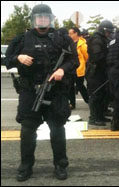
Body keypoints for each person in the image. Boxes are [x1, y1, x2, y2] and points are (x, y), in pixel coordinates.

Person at [3, 4, 79, 181]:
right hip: (30, 92)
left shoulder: (62, 38)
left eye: (46, 17)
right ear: (34, 19)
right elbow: (6, 59)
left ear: (50, 19)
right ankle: (26, 166)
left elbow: (74, 60)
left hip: (56, 91)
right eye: (39, 17)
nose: (42, 20)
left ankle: (60, 165)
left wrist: (62, 70)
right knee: (28, 130)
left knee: (57, 129)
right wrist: (17, 58)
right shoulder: (22, 38)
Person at [86, 20, 114, 126]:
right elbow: (97, 56)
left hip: (101, 71)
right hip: (95, 71)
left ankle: (100, 115)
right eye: (108, 32)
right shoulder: (96, 39)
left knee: (102, 95)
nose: (109, 34)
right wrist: (108, 55)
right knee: (95, 95)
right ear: (103, 30)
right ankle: (93, 118)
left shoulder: (103, 39)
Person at [68, 27, 89, 109]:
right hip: (70, 68)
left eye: (70, 33)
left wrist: (81, 64)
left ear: (76, 33)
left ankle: (89, 101)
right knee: (70, 86)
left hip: (79, 68)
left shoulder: (82, 44)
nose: (69, 35)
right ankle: (72, 104)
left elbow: (87, 57)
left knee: (80, 86)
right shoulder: (69, 43)